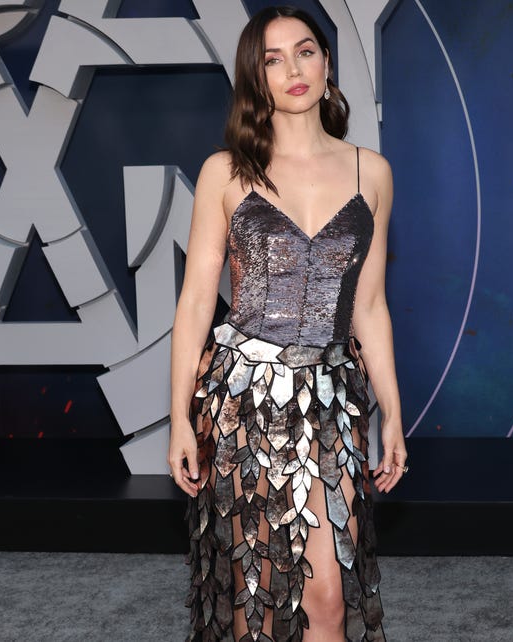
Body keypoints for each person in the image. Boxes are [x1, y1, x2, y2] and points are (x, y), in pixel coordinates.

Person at [168, 5, 407, 641]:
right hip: (244, 405)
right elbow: (196, 301)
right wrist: (178, 422)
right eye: (272, 59)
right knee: (259, 590)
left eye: (305, 51)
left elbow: (370, 305)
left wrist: (393, 414)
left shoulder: (371, 172)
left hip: (332, 404)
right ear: (255, 78)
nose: (292, 69)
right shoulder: (226, 171)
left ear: (327, 65)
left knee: (328, 595)